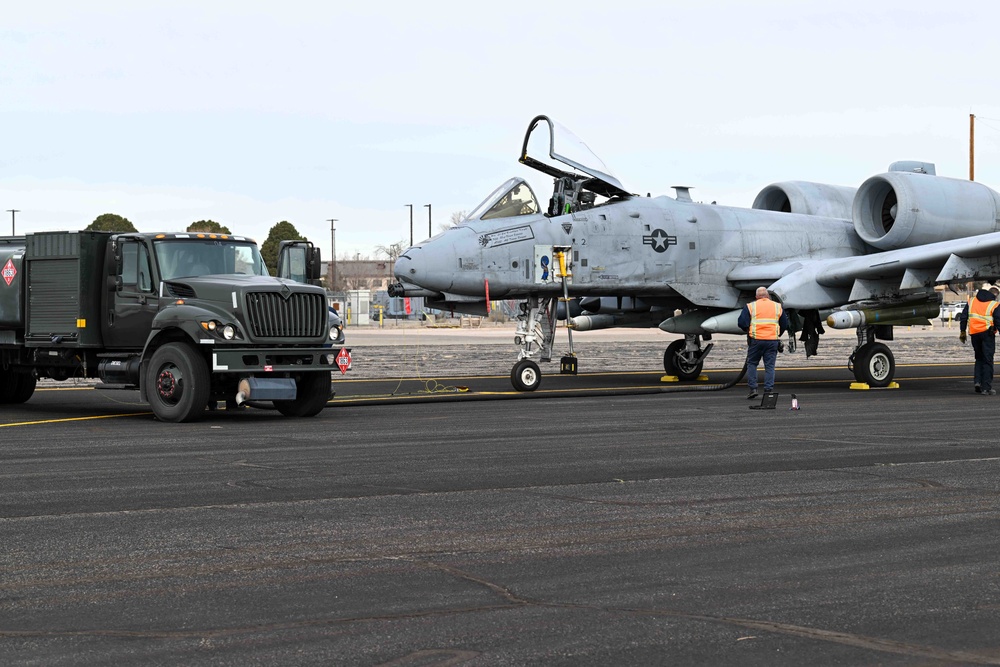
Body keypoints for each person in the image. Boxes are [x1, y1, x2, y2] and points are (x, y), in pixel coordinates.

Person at [738, 286, 790, 399]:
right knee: (770, 366)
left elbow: (742, 323)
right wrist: (776, 335)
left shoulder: (751, 306)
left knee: (752, 364)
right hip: (772, 341)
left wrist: (749, 331)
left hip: (756, 340)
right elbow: (785, 324)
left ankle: (753, 389)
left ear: (756, 297)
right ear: (767, 296)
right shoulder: (777, 306)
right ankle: (768, 390)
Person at [959, 283, 1000, 395]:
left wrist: (962, 331)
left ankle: (977, 382)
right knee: (988, 360)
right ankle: (986, 387)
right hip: (987, 334)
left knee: (979, 358)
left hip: (974, 333)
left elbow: (964, 317)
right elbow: (998, 321)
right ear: (995, 296)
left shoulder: (972, 300)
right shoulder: (994, 304)